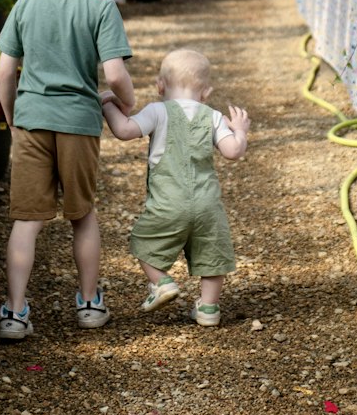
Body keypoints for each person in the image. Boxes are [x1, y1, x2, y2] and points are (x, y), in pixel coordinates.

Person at [0, 0, 135, 341]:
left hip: (33, 119)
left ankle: (15, 312)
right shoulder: (100, 7)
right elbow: (114, 73)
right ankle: (90, 304)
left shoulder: (27, 2)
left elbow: (4, 71)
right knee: (83, 214)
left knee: (27, 221)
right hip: (78, 121)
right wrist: (123, 100)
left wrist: (13, 117)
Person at [101, 47, 249, 328]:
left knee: (142, 242)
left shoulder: (157, 111)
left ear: (159, 86)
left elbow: (124, 130)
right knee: (212, 254)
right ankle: (208, 308)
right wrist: (240, 130)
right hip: (207, 205)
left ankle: (162, 282)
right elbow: (232, 151)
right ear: (206, 92)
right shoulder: (214, 116)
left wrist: (107, 104)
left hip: (168, 203)